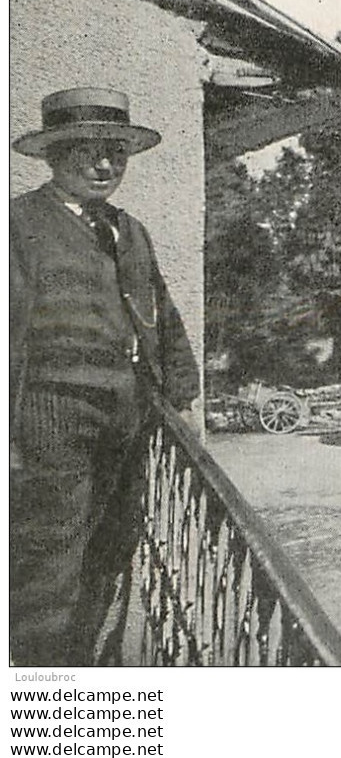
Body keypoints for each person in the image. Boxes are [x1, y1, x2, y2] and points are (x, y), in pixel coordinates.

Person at [10, 88, 199, 666]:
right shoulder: (19, 225)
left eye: (115, 153)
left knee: (110, 549)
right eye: (86, 153)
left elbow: (161, 313)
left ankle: (91, 670)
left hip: (127, 420)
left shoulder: (128, 230)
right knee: (51, 561)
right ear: (53, 158)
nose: (103, 166)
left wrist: (183, 397)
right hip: (52, 420)